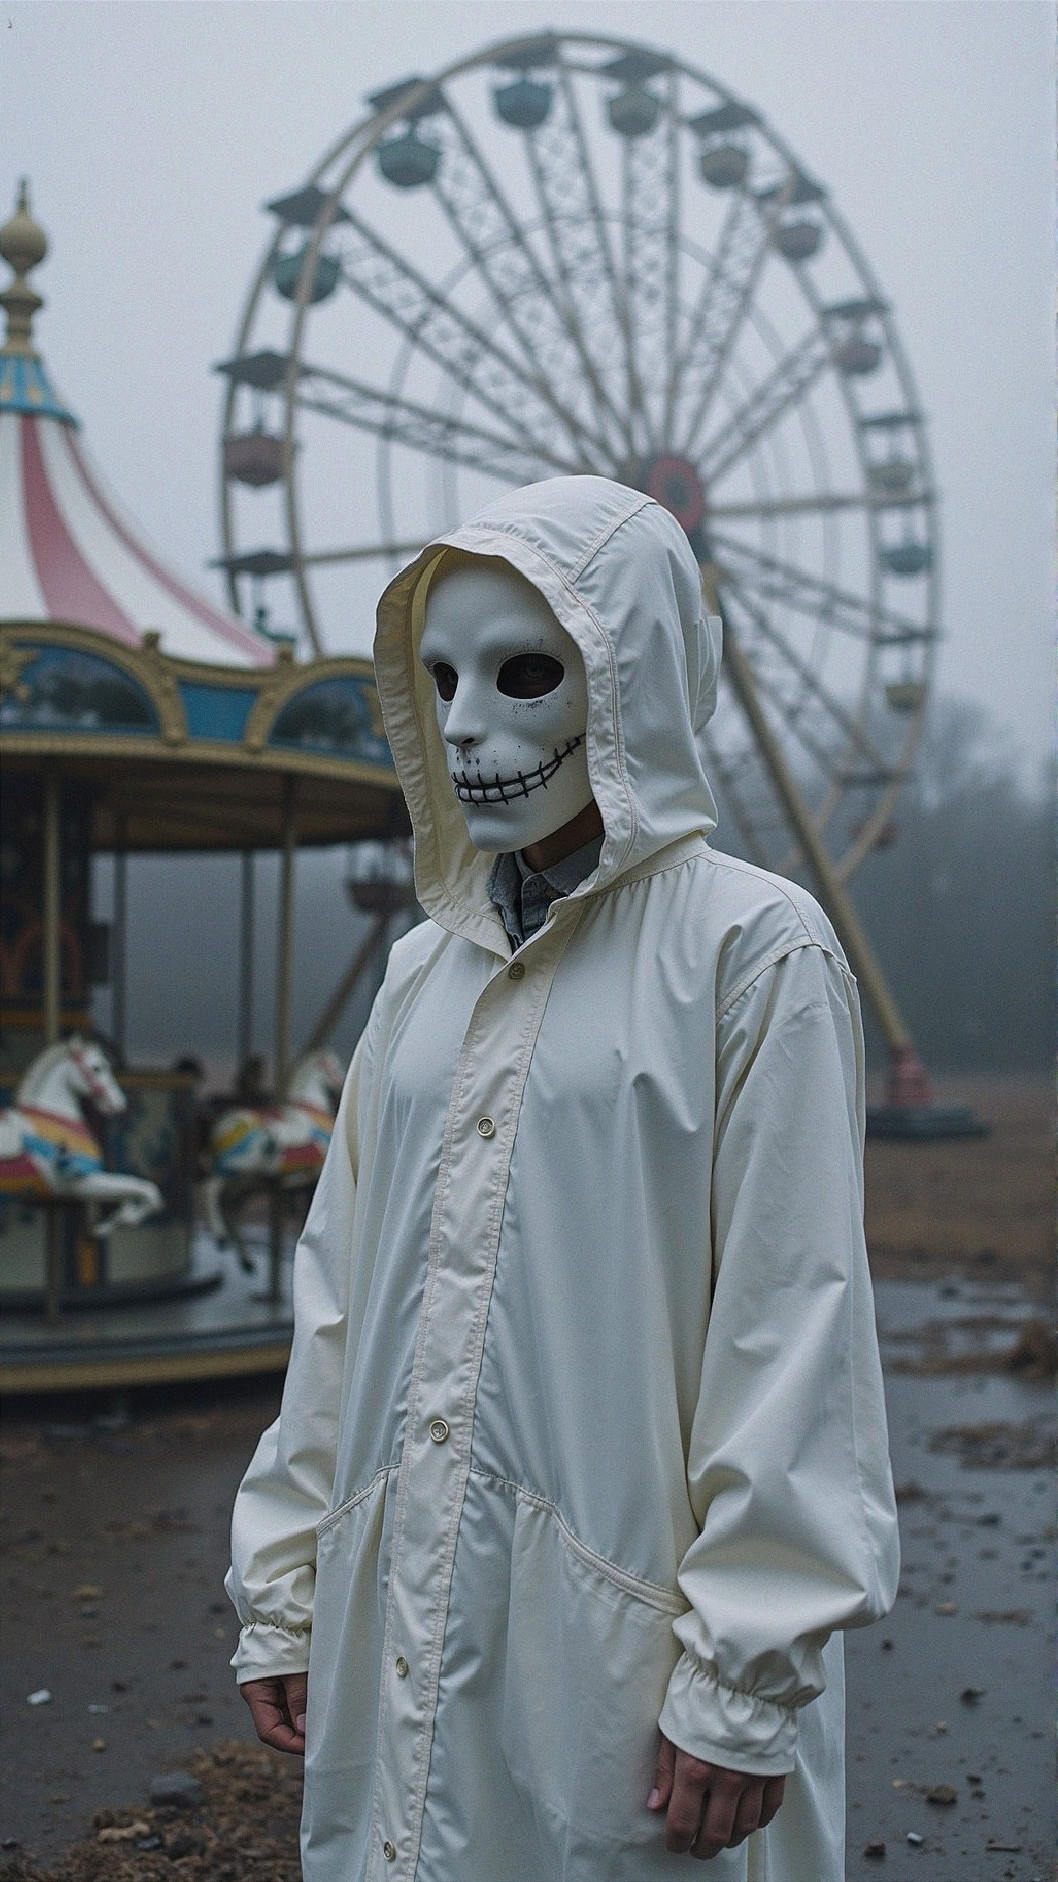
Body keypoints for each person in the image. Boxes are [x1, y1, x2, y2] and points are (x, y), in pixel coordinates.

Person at [227, 475, 899, 1881]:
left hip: (631, 1655)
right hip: (396, 1607)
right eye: (440, 677)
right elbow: (339, 1303)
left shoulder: (752, 953)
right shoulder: (422, 976)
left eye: (525, 672)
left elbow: (792, 1327)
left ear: (630, 674)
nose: (467, 721)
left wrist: (743, 1672)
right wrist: (285, 1584)